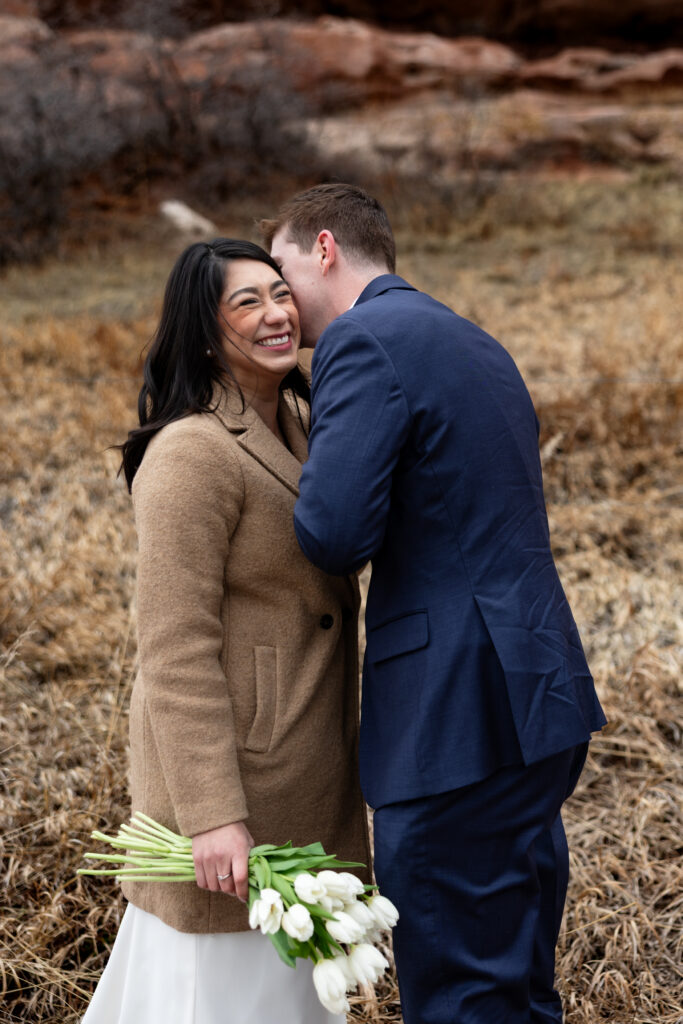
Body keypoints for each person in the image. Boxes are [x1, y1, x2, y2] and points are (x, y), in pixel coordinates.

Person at [261, 183, 607, 1024]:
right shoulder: (469, 338)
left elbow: (335, 531)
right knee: (516, 973)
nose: (279, 302)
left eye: (281, 271)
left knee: (458, 987)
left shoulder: (360, 341)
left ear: (326, 249)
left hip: (454, 709)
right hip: (533, 685)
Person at [81, 238, 370, 1024]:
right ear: (204, 334)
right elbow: (173, 650)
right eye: (247, 303)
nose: (278, 313)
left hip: (305, 758)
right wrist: (211, 814)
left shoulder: (306, 422)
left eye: (280, 293)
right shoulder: (190, 452)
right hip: (239, 777)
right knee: (213, 993)